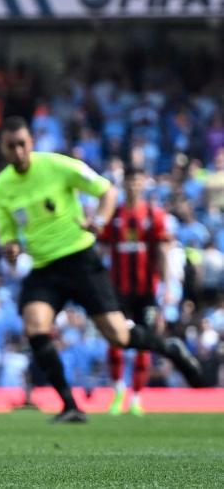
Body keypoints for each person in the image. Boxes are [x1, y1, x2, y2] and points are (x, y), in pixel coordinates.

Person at [0, 117, 203, 424]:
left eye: (23, 144)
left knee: (117, 335)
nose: (19, 151)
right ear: (3, 148)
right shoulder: (0, 187)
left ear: (31, 143)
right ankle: (69, 405)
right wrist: (10, 247)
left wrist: (99, 222)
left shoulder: (58, 165)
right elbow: (7, 230)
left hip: (79, 258)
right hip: (44, 267)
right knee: (35, 325)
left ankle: (170, 347)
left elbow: (107, 191)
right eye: (12, 146)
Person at [98, 165, 171, 416]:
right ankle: (119, 390)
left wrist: (168, 286)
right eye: (129, 181)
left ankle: (137, 397)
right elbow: (102, 247)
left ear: (144, 183)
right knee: (115, 340)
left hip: (145, 292)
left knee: (143, 344)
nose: (133, 185)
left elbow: (162, 252)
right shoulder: (115, 215)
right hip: (118, 291)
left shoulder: (153, 215)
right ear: (124, 184)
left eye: (137, 181)